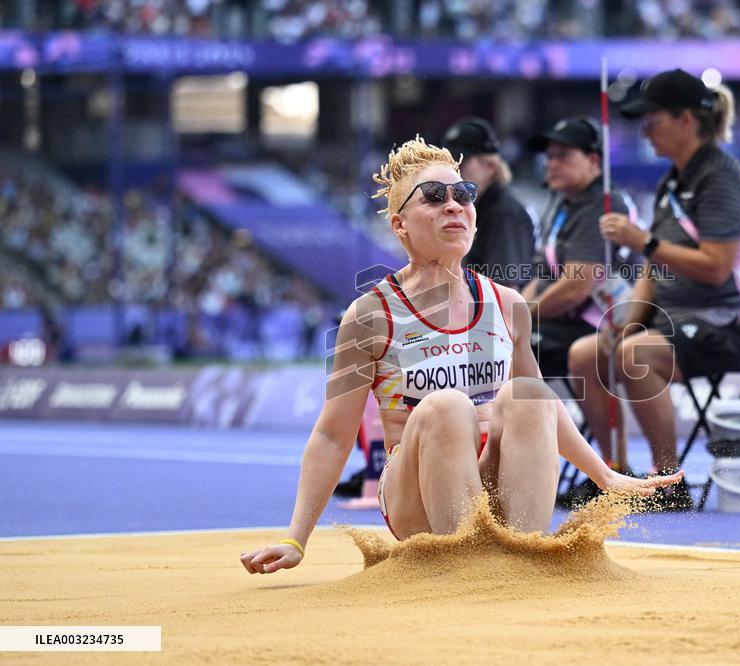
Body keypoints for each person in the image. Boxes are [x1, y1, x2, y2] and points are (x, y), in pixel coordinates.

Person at [240, 137, 682, 574]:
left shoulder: (507, 303)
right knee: (447, 406)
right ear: (400, 225)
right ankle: (462, 567)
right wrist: (295, 538)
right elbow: (332, 436)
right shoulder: (369, 315)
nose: (453, 205)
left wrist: (604, 475)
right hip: (415, 495)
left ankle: (523, 560)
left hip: (494, 482)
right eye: (434, 197)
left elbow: (540, 407)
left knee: (527, 393)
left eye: (463, 194)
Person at [567, 69, 740, 511]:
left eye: (652, 121)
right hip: (679, 320)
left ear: (686, 121)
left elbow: (716, 269)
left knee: (635, 355)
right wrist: (628, 322)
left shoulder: (720, 179)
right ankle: (615, 473)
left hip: (734, 321)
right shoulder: (673, 182)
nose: (644, 132)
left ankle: (668, 481)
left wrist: (642, 240)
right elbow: (654, 266)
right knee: (586, 353)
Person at [522, 115, 636, 385]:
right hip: (564, 321)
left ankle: (527, 414)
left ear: (593, 161)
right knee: (494, 341)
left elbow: (575, 288)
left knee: (503, 351)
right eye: (549, 157)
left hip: (598, 323)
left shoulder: (603, 206)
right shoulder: (566, 205)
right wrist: (516, 313)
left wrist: (521, 317)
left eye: (563, 156)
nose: (551, 164)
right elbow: (542, 278)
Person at [441, 117, 534, 290]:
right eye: (447, 162)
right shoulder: (474, 206)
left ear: (490, 165)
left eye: (459, 162)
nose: (451, 169)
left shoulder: (503, 213)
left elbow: (506, 289)